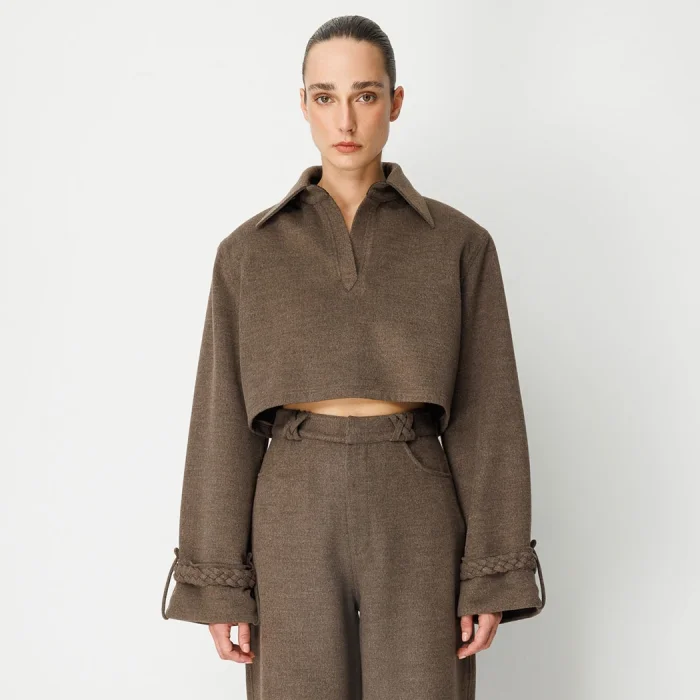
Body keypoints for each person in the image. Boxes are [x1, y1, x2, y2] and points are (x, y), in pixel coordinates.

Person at [161, 14, 546, 700]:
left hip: (416, 496)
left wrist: (492, 570)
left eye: (365, 95)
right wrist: (217, 578)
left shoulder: (458, 244)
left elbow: (488, 415)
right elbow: (220, 421)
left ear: (395, 102)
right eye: (326, 96)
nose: (345, 119)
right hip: (293, 500)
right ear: (303, 103)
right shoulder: (249, 252)